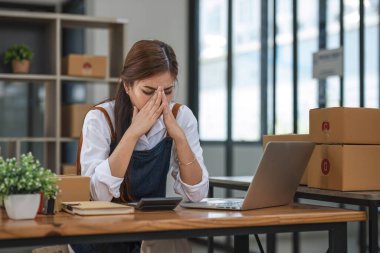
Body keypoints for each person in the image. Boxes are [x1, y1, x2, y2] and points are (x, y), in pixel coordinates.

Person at [71, 40, 209, 253]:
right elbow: (97, 195)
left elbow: (197, 194)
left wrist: (180, 139)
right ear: (127, 86)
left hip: (150, 231)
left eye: (168, 91)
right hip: (101, 234)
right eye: (148, 91)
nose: (160, 101)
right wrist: (133, 133)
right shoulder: (100, 118)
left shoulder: (180, 116)